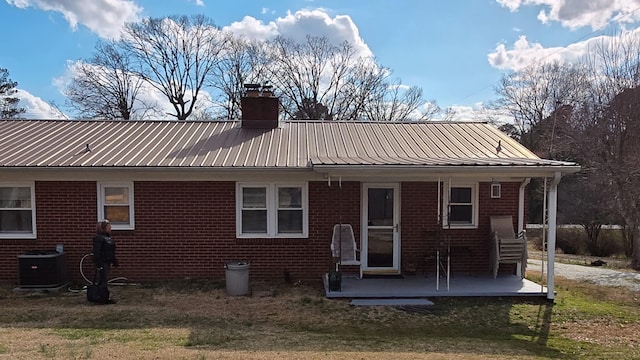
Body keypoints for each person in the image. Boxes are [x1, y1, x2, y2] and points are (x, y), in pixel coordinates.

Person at [92, 220, 119, 301]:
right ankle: (103, 298)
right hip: (102, 262)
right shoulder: (98, 238)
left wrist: (114, 260)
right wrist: (98, 263)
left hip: (107, 261)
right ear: (103, 228)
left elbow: (111, 251)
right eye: (108, 227)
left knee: (104, 279)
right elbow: (97, 252)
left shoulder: (108, 237)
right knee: (103, 280)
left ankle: (102, 296)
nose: (110, 228)